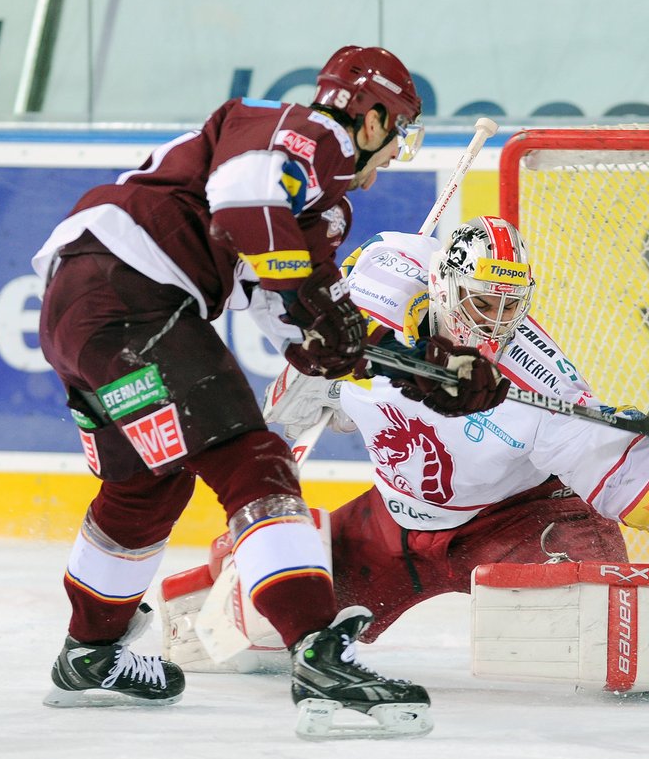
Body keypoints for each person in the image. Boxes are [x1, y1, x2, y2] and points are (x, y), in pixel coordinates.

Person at [31, 45, 491, 737]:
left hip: (84, 307)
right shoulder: (305, 134)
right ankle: (317, 651)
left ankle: (90, 653)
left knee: (145, 485)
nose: (395, 152)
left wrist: (425, 372)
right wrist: (313, 303)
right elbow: (244, 204)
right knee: (253, 461)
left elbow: (307, 332)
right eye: (397, 131)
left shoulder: (319, 209)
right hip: (128, 293)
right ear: (370, 118)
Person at [164, 216, 649, 662]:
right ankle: (214, 586)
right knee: (271, 625)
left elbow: (626, 467)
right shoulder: (373, 297)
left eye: (510, 306)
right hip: (391, 527)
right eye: (483, 303)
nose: (496, 323)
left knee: (600, 628)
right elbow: (315, 320)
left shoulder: (536, 378)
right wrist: (306, 403)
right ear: (443, 285)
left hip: (519, 523)